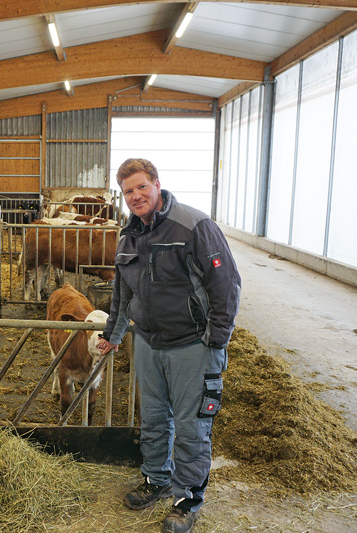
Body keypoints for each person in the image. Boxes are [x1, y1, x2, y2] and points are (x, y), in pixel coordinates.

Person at [98, 158, 241, 533]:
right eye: (128, 191)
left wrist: (217, 340)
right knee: (155, 419)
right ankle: (157, 480)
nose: (136, 196)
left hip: (191, 345)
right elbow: (121, 291)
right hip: (148, 342)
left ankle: (188, 499)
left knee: (193, 426)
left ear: (157, 184)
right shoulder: (129, 235)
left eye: (142, 187)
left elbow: (226, 285)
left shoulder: (194, 226)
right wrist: (112, 334)